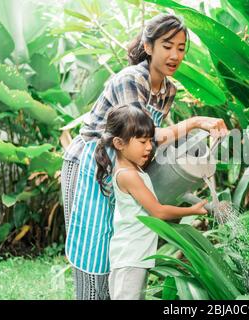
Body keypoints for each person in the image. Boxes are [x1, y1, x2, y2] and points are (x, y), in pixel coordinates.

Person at [61, 13, 228, 300]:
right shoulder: (131, 79)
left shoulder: (168, 90)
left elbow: (155, 142)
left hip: (122, 168)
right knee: (93, 244)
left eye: (181, 48)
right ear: (148, 47)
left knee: (116, 241)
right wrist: (196, 121)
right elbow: (139, 133)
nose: (175, 54)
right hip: (91, 163)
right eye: (167, 46)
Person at [94, 106, 208, 300]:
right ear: (119, 143)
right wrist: (192, 210)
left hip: (135, 256)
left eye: (150, 140)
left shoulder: (134, 169)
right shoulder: (129, 175)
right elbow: (159, 211)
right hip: (129, 257)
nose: (149, 147)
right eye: (142, 141)